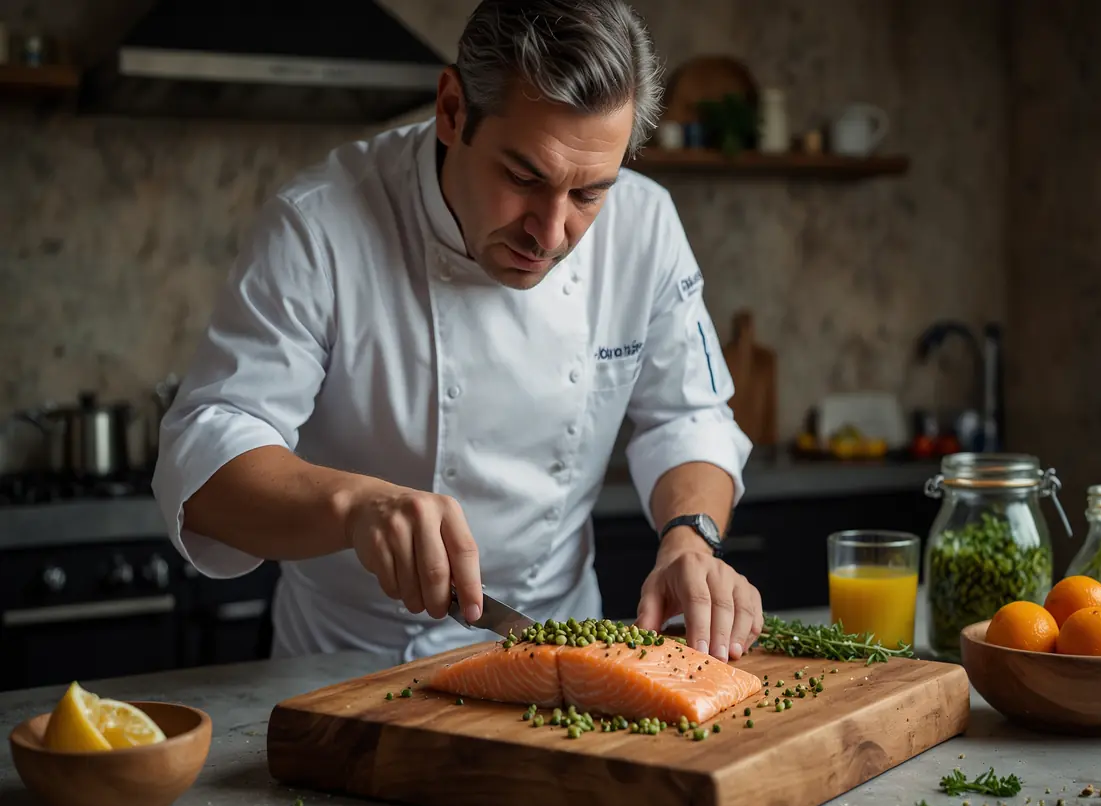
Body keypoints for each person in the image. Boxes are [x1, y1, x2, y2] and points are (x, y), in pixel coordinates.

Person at [152, 0, 762, 665]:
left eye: (588, 193)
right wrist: (354, 505)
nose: (551, 234)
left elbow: (689, 417)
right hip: (346, 663)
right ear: (451, 110)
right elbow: (207, 456)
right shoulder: (319, 225)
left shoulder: (645, 225)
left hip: (557, 651)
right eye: (523, 177)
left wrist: (689, 539)